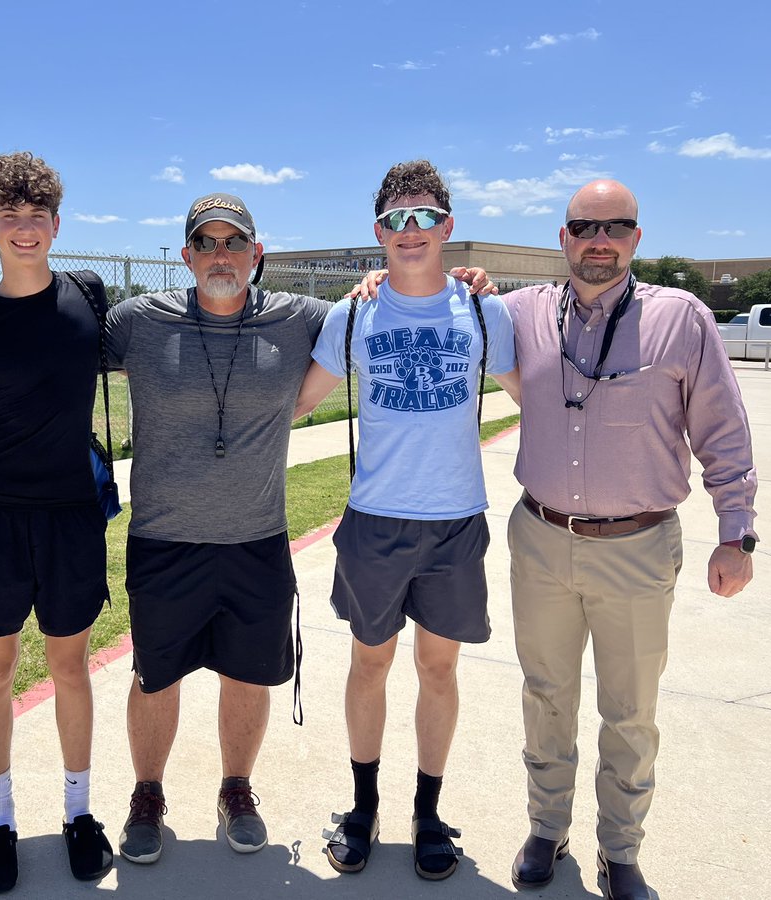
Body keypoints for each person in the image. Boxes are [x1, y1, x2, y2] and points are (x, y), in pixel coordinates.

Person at [0, 190, 497, 866]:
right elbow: (49, 327)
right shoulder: (136, 321)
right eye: (207, 243)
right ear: (186, 257)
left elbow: (378, 308)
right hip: (163, 538)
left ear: (257, 255)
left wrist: (435, 280)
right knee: (154, 678)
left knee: (248, 676)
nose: (221, 254)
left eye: (235, 242)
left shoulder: (301, 317)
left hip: (256, 537)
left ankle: (237, 789)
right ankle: (147, 795)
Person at [502, 179, 757, 900]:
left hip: (639, 547)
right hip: (542, 538)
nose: (599, 240)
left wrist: (736, 530)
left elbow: (723, 428)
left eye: (616, 227)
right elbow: (443, 297)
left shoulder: (681, 320)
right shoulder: (522, 313)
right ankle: (546, 828)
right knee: (545, 695)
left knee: (630, 710)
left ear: (637, 238)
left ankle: (620, 850)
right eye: (584, 226)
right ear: (563, 238)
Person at [294, 160, 519, 881]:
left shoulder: (485, 312)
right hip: (374, 522)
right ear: (378, 233)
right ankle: (363, 809)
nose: (411, 230)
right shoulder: (353, 313)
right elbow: (297, 400)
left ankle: (427, 812)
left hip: (456, 521)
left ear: (447, 227)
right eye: (396, 219)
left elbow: (538, 389)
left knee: (439, 667)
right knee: (370, 662)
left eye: (424, 217)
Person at [0, 151, 113, 893]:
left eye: (37, 216)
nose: (25, 228)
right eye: (10, 217)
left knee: (70, 667)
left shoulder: (90, 295)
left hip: (72, 515)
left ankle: (78, 813)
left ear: (57, 224)